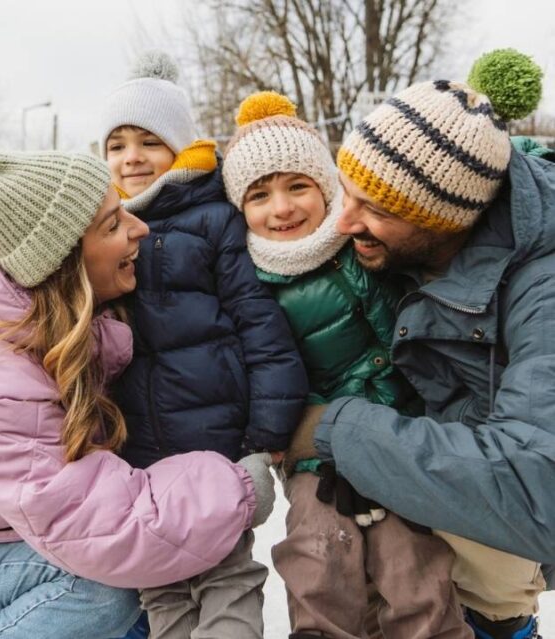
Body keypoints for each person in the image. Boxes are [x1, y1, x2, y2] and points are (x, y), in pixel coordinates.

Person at [0, 121, 279, 639]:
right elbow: (85, 521)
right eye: (112, 224)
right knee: (102, 594)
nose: (139, 229)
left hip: (15, 518)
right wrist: (234, 489)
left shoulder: (81, 317)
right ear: (66, 262)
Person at [286, 49, 553, 639]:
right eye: (342, 190)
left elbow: (541, 486)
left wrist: (335, 429)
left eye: (373, 209)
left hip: (495, 546)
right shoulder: (389, 246)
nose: (342, 222)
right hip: (409, 499)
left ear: (446, 220)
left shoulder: (544, 287)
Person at [222, 91, 471, 638]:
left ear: (326, 186)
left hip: (402, 429)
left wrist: (377, 432)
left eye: (297, 186)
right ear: (240, 209)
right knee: (317, 559)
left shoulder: (362, 243)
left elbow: (407, 341)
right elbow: (267, 376)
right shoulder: (247, 285)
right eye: (259, 195)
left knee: (413, 566)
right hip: (316, 452)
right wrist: (329, 448)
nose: (281, 207)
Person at [99, 52, 307, 639]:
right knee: (162, 590)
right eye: (117, 144)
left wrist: (263, 442)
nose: (132, 157)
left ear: (180, 146)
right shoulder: (95, 229)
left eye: (148, 140)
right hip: (137, 454)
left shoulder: (215, 220)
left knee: (224, 578)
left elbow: (262, 331)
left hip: (217, 448)